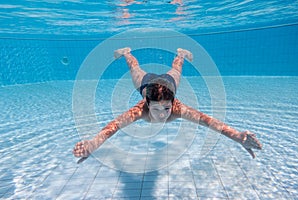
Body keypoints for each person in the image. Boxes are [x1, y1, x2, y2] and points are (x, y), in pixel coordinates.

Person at [73, 47, 262, 163]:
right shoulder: (139, 110)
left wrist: (237, 136)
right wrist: (92, 144)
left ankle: (180, 54)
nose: (163, 115)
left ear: (173, 102)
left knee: (177, 68)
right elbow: (112, 127)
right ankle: (126, 52)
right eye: (156, 109)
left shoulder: (179, 108)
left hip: (168, 83)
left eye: (166, 108)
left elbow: (208, 121)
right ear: (146, 103)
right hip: (147, 83)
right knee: (135, 68)